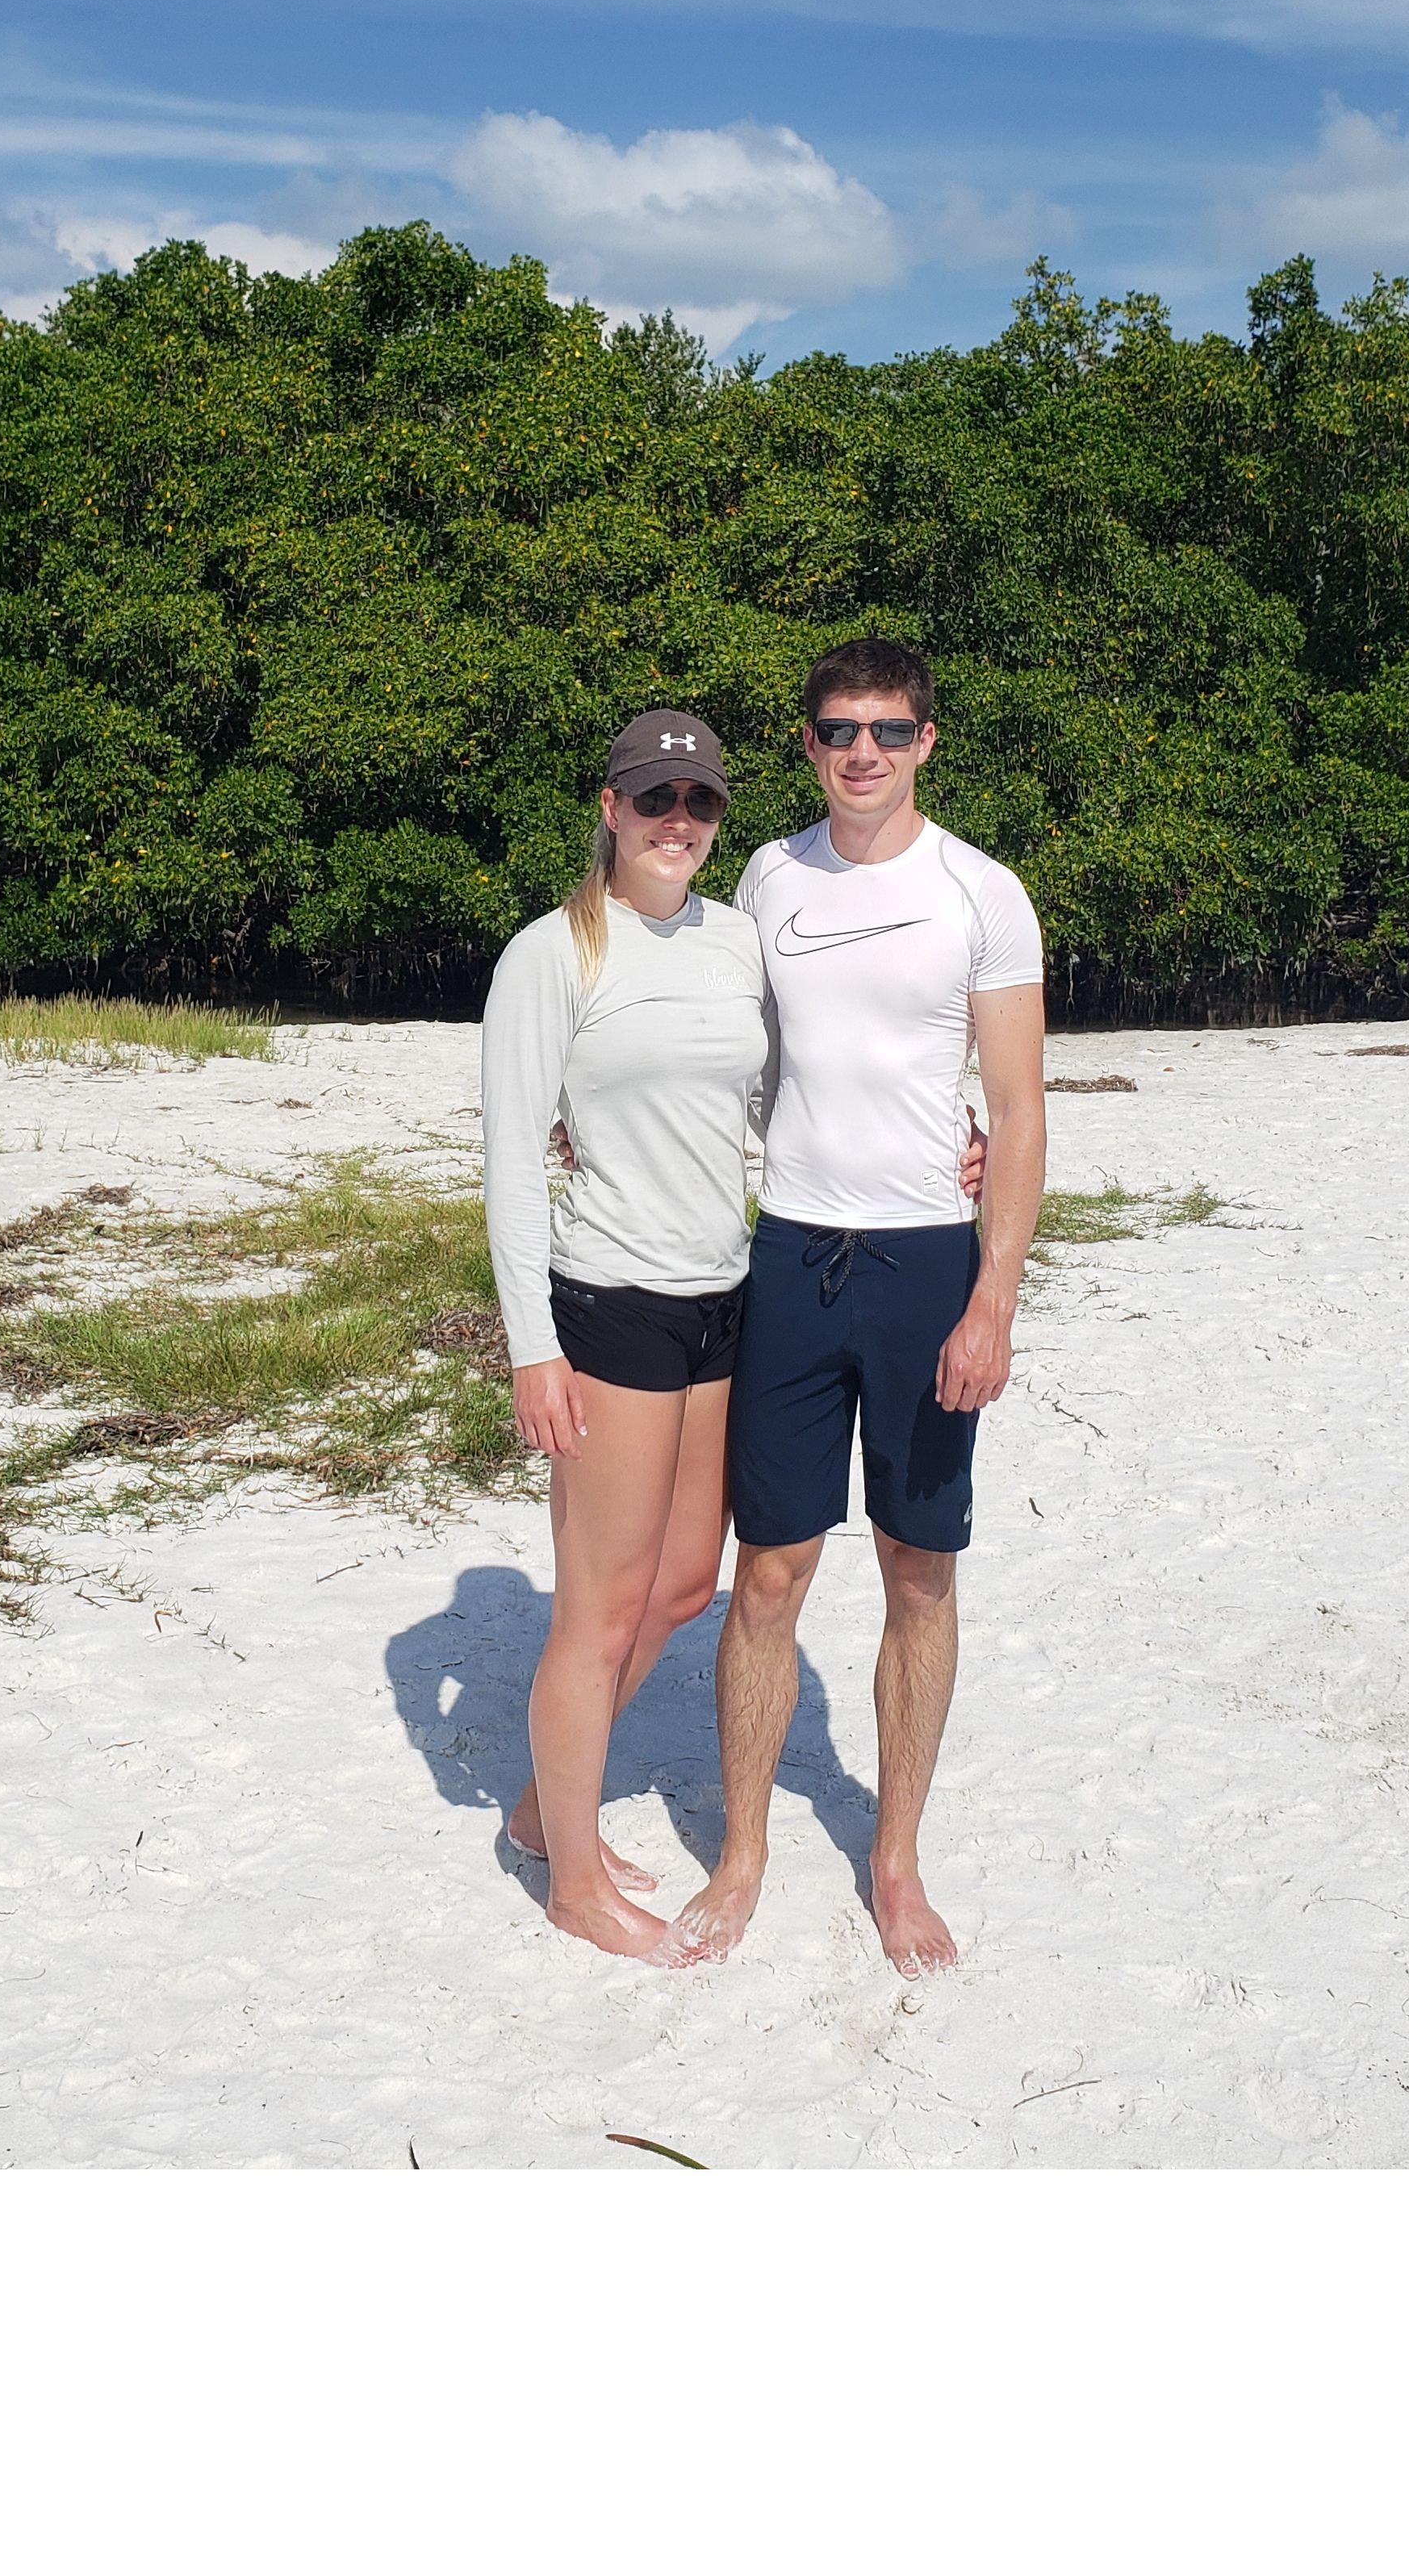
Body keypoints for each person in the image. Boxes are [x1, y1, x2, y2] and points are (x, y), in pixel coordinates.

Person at [664, 637, 1047, 1979]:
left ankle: (895, 1862)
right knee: (766, 1573)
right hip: (791, 1258)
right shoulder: (769, 876)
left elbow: (1015, 1110)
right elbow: (693, 1020)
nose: (863, 753)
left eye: (889, 729)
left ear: (928, 741)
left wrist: (992, 1298)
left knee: (918, 1568)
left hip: (927, 1266)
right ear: (811, 744)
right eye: (839, 731)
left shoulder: (982, 896)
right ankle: (745, 1854)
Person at [479, 708, 764, 1959]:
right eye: (655, 801)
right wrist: (532, 1347)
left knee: (687, 1584)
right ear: (609, 808)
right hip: (611, 1307)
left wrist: (951, 1143)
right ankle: (572, 1882)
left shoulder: (740, 943)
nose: (678, 824)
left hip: (726, 1299)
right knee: (598, 1610)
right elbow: (507, 1163)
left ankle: (548, 1808)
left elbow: (776, 1104)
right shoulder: (553, 954)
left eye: (698, 803)